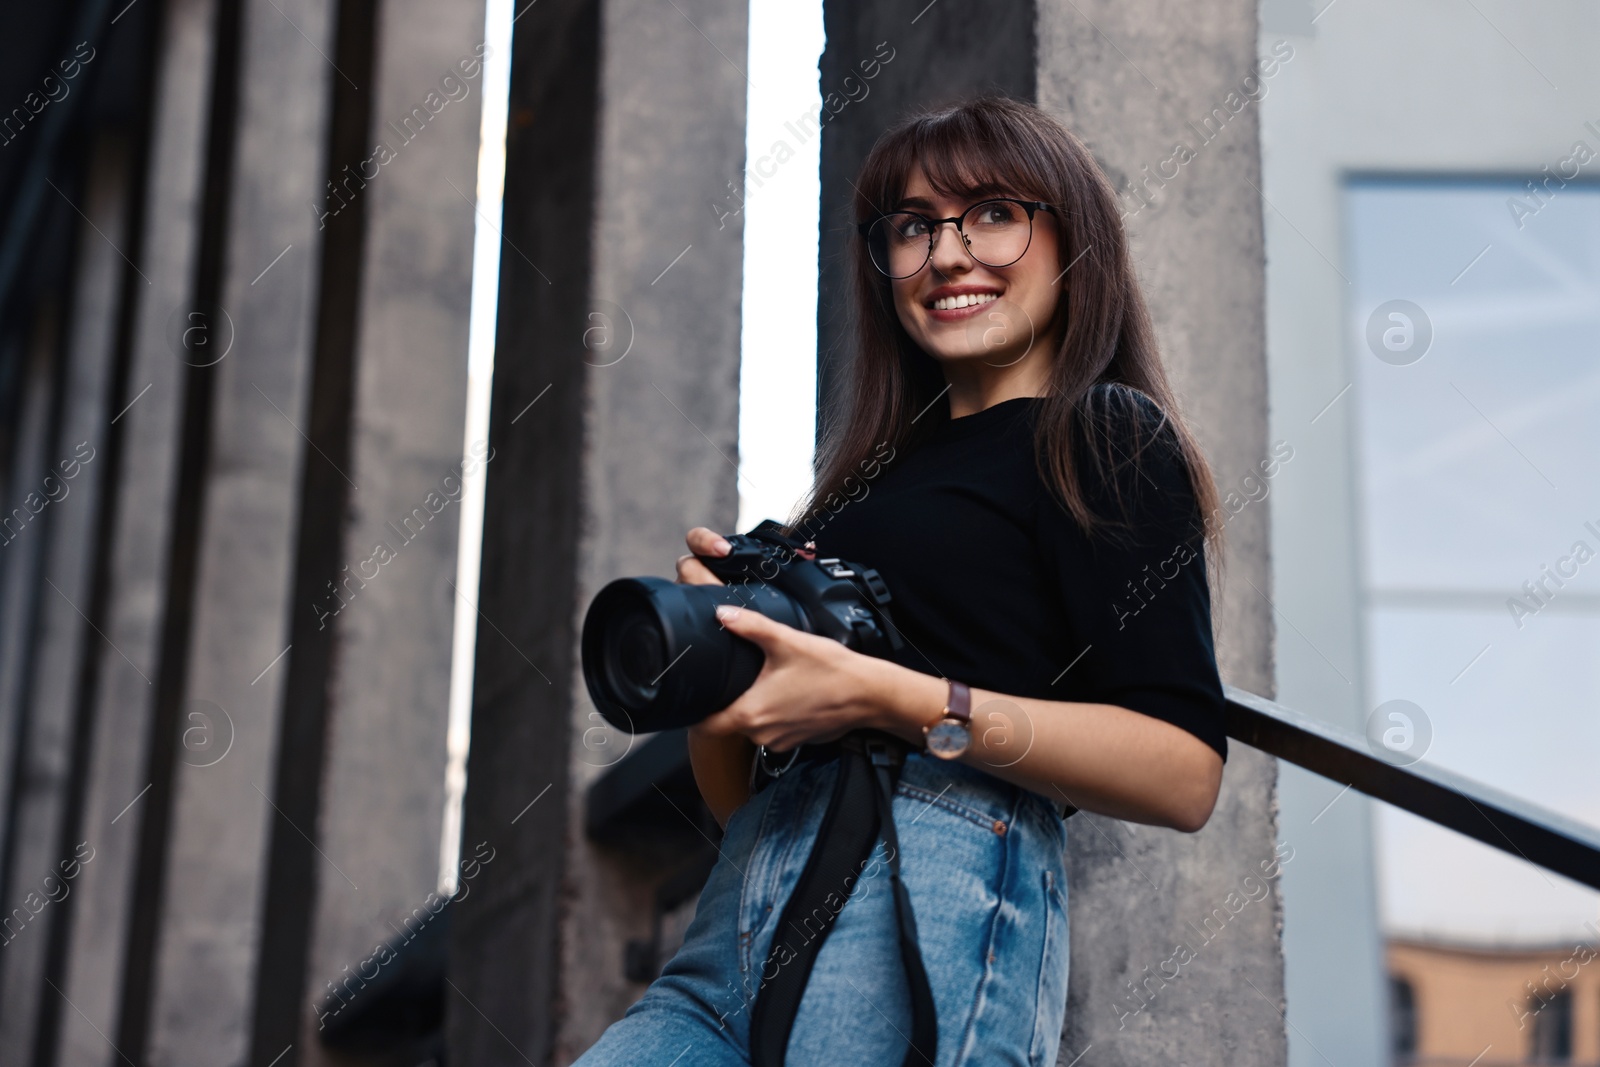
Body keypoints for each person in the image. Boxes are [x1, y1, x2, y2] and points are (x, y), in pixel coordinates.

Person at [572, 94, 1229, 1067]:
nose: (947, 255)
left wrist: (887, 692)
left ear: (1071, 236)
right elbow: (737, 800)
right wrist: (726, 670)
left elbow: (1182, 771)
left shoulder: (1101, 435)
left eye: (993, 213)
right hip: (736, 915)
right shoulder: (859, 488)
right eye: (912, 228)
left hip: (931, 889)